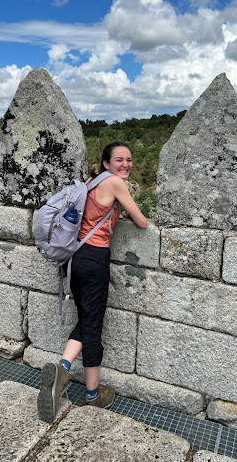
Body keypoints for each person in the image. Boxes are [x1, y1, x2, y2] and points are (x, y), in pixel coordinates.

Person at [37, 142, 148, 423]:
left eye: (129, 160)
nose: (125, 164)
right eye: (119, 160)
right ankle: (93, 395)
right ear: (107, 163)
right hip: (95, 259)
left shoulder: (91, 183)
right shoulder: (115, 184)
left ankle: (62, 370)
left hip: (74, 259)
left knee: (87, 317)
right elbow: (142, 222)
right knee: (93, 323)